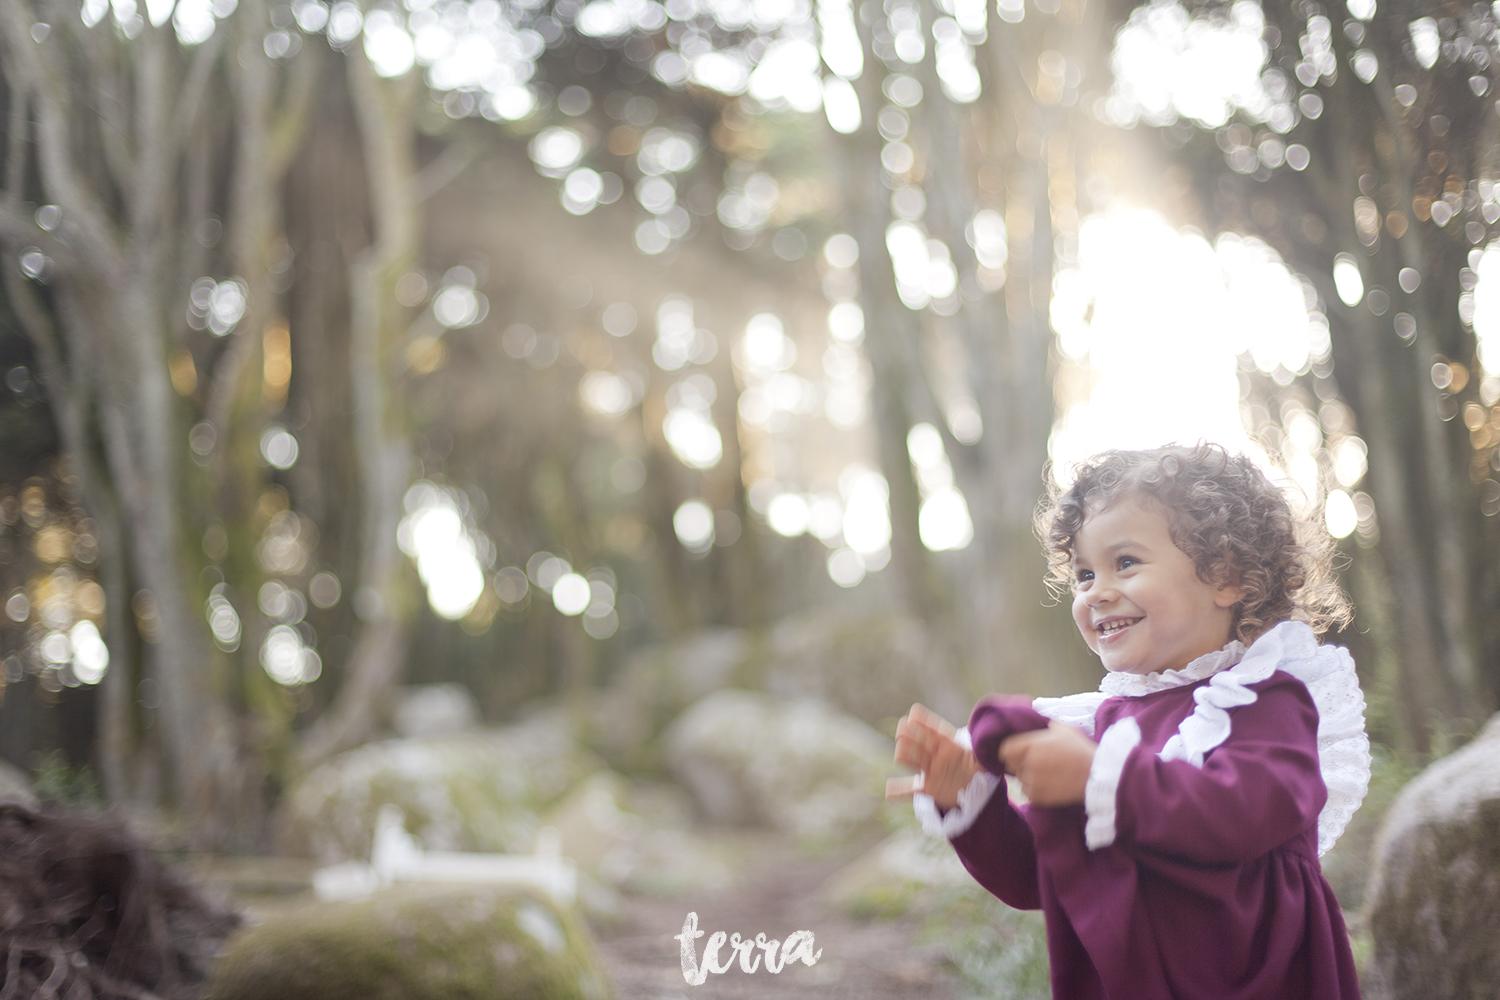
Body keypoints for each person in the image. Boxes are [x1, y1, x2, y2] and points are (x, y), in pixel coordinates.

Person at [887, 443, 1370, 1000]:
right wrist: (971, 801)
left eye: (1126, 563)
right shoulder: (1108, 725)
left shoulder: (1266, 698)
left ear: (1226, 577)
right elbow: (1039, 876)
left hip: (1253, 975)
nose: (1098, 591)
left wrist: (1102, 780)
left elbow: (1242, 813)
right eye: (1084, 574)